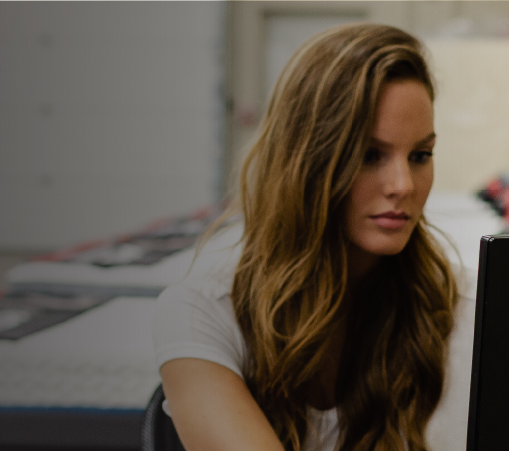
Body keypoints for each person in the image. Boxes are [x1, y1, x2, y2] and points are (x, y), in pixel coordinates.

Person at [152, 23, 475, 451]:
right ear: (308, 160)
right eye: (369, 155)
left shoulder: (466, 308)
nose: (403, 185)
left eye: (420, 156)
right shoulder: (200, 312)